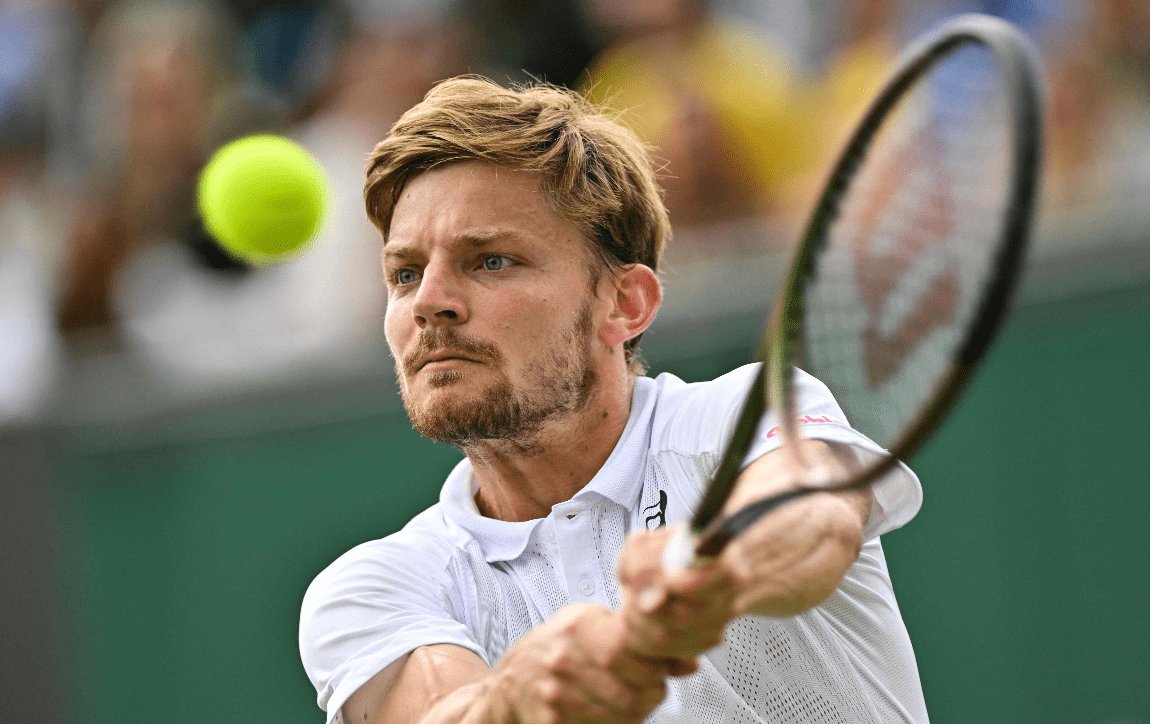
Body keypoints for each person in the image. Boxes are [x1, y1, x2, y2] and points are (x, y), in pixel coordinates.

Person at [299, 77, 928, 724]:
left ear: (625, 304)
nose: (429, 301)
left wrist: (718, 569)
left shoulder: (739, 418)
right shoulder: (373, 587)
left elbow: (813, 517)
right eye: (405, 274)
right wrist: (515, 698)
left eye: (491, 261)